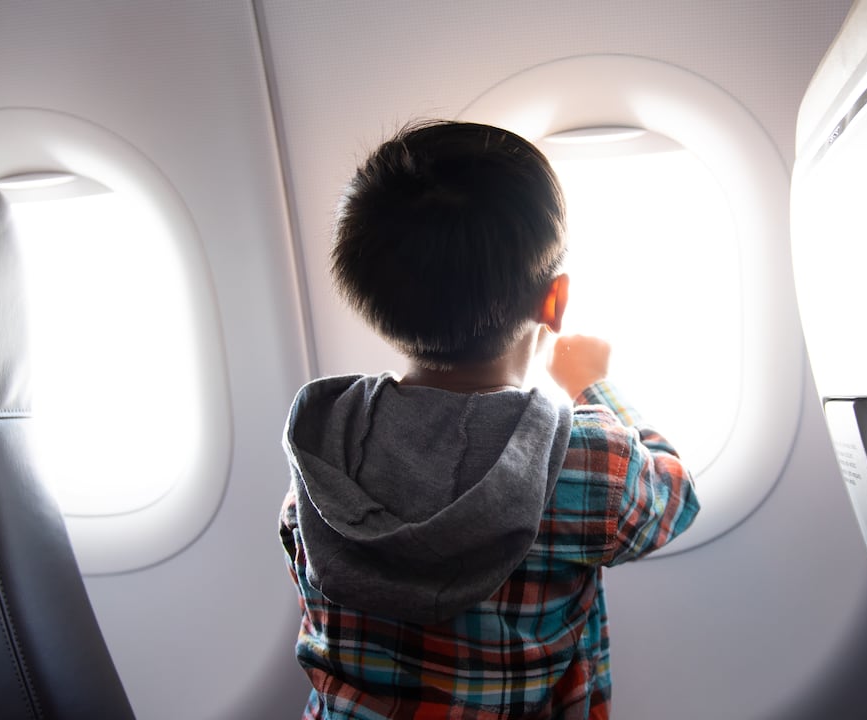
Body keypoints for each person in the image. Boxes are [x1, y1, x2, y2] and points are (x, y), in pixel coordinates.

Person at [280, 120, 698, 719]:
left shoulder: (325, 445)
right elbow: (676, 496)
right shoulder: (581, 461)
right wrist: (593, 387)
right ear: (554, 301)